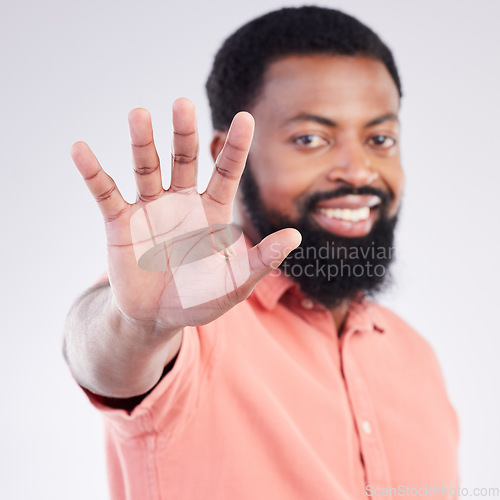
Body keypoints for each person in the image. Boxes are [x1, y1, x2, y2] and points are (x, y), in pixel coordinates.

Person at [64, 6, 459, 499]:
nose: (359, 171)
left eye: (380, 138)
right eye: (310, 138)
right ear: (226, 154)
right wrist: (139, 325)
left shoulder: (418, 359)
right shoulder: (189, 326)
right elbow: (103, 359)